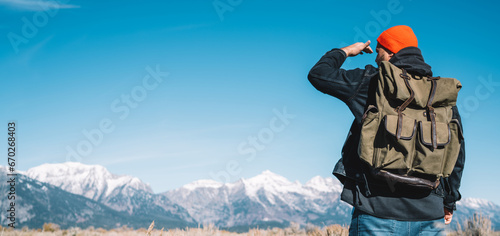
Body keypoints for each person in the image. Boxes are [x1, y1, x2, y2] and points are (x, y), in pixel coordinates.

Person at [308, 25, 465, 235]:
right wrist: (449, 200)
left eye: (379, 51)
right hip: (429, 215)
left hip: (376, 212)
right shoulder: (438, 94)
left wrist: (347, 50)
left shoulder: (372, 80)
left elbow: (319, 74)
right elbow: (456, 152)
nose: (375, 59)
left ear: (391, 52)